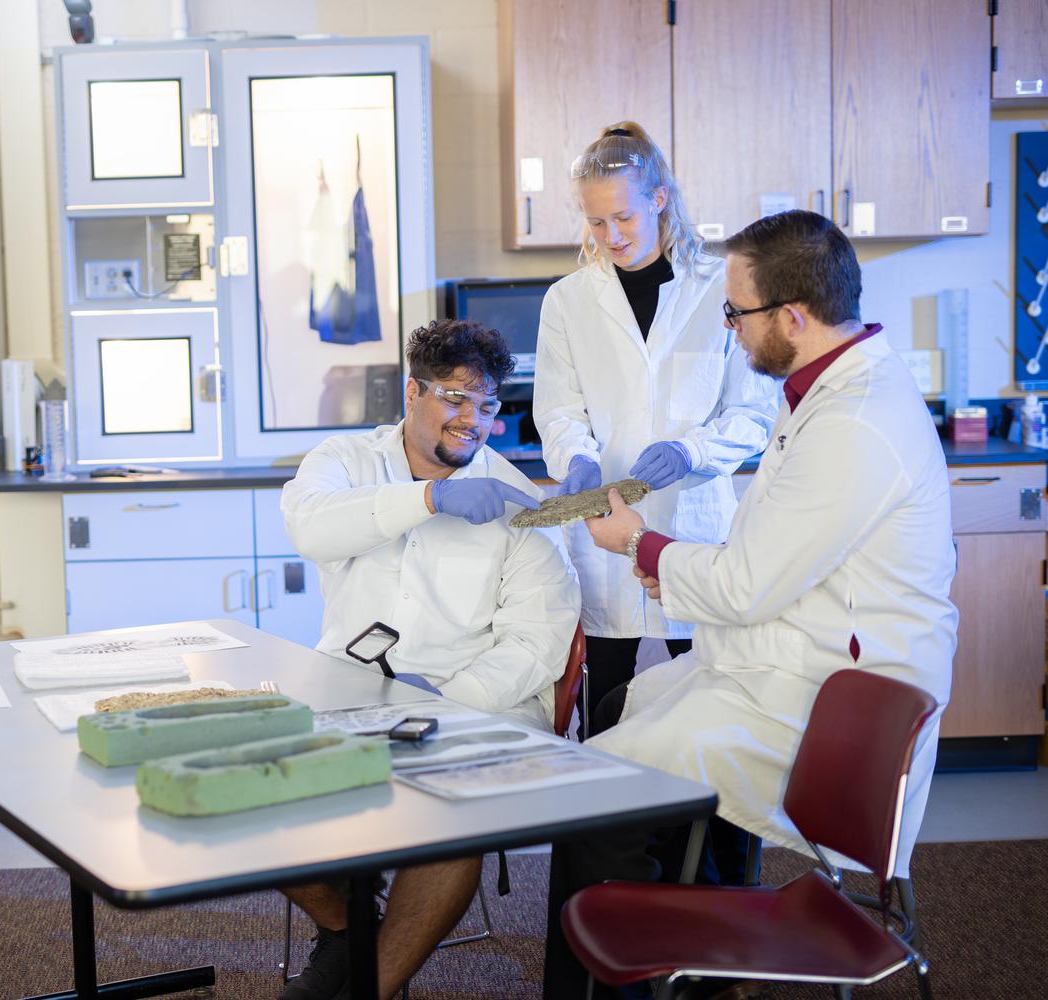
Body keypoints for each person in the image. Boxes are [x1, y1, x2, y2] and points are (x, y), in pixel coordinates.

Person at [542, 209, 958, 999]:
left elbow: (745, 583)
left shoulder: (855, 423)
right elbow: (768, 559)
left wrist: (640, 544)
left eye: (735, 313)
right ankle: (686, 959)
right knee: (627, 713)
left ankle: (643, 970)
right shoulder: (823, 391)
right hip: (784, 660)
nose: (727, 327)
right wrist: (673, 563)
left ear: (792, 317)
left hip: (824, 704)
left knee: (598, 789)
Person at [279, 317, 581, 1000]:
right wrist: (427, 498)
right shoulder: (346, 462)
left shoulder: (517, 503)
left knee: (454, 820)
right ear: (412, 391)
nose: (472, 420)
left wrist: (438, 706)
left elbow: (536, 643)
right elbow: (311, 527)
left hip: (474, 706)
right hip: (350, 691)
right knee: (255, 789)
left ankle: (369, 990)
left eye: (487, 404)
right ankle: (343, 930)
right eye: (454, 398)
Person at [533, 121, 777, 737]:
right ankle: (605, 832)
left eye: (623, 218)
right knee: (604, 713)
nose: (609, 236)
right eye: (594, 222)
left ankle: (706, 838)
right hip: (603, 534)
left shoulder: (720, 288)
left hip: (694, 533)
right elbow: (559, 409)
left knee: (708, 714)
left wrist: (692, 450)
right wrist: (576, 460)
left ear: (659, 198)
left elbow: (752, 414)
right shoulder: (567, 300)